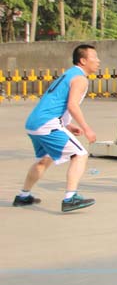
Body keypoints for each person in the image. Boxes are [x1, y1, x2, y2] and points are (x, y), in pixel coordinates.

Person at [13, 44, 100, 212]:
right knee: (80, 154)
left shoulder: (68, 74)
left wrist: (68, 125)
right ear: (83, 61)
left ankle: (23, 196)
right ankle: (70, 198)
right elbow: (72, 105)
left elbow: (55, 102)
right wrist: (87, 128)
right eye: (94, 57)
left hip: (34, 123)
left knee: (45, 159)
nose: (98, 61)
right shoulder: (80, 79)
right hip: (47, 124)